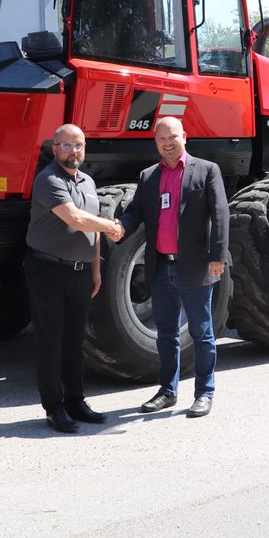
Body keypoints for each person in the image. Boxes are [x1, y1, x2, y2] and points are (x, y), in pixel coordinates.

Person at [115, 116, 229, 418]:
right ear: (155, 142)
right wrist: (119, 227)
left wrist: (219, 256)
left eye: (173, 137)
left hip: (193, 266)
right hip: (161, 267)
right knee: (166, 334)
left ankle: (205, 392)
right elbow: (135, 212)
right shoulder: (149, 175)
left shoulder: (206, 170)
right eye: (162, 139)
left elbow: (221, 215)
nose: (168, 143)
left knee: (201, 332)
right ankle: (168, 391)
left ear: (185, 137)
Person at [25, 123, 124, 432]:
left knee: (74, 341)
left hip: (80, 273)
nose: (73, 152)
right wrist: (112, 226)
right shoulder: (48, 179)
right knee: (51, 341)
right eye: (66, 146)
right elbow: (76, 218)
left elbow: (89, 231)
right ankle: (54, 408)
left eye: (78, 145)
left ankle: (76, 401)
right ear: (55, 149)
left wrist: (95, 270)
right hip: (47, 271)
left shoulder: (89, 182)